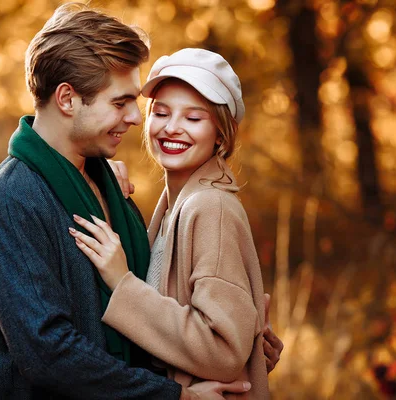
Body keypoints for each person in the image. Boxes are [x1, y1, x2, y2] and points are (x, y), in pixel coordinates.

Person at [0, 4, 255, 399]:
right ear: (67, 99)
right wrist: (176, 396)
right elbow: (50, 354)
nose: (136, 117)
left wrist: (245, 335)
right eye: (120, 103)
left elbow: (155, 302)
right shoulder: (8, 206)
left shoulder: (108, 185)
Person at [69, 48, 275, 399]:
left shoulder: (211, 207)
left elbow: (222, 350)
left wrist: (123, 283)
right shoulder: (175, 206)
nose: (172, 127)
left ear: (221, 134)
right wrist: (102, 184)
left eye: (194, 118)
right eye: (161, 113)